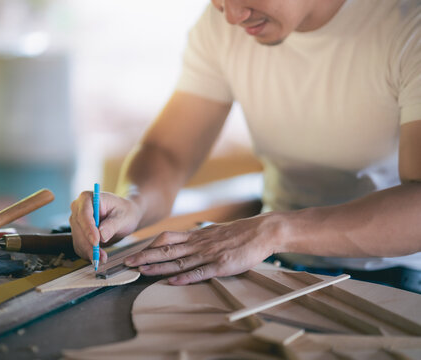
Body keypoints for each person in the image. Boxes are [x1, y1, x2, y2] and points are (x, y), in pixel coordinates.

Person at [70, 0, 421, 292]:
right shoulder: (226, 22)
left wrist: (274, 230)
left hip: (395, 273)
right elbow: (169, 152)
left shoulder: (408, 25)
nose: (233, 16)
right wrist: (134, 202)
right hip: (273, 262)